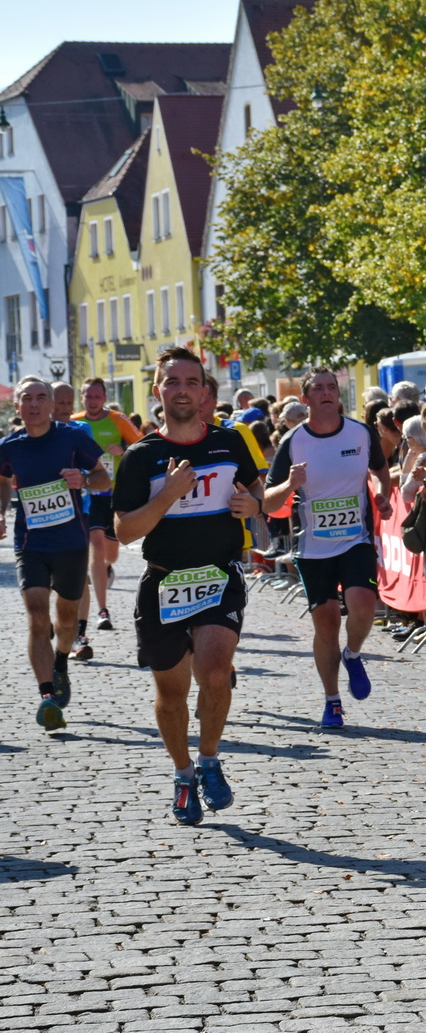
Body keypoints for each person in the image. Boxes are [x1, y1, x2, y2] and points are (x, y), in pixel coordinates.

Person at [112, 347, 262, 824]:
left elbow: (257, 492)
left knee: (216, 672)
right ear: (158, 390)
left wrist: (252, 507)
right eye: (171, 381)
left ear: (203, 391)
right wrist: (170, 496)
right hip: (163, 584)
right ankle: (183, 773)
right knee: (172, 694)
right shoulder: (142, 457)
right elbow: (124, 531)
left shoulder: (228, 442)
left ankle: (211, 760)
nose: (181, 389)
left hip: (218, 576)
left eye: (190, 381)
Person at [262, 368, 394, 728]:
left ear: (338, 394)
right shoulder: (293, 441)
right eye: (317, 388)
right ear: (305, 399)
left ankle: (353, 654)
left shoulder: (361, 432)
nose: (325, 392)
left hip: (355, 539)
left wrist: (382, 495)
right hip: (312, 547)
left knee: (363, 606)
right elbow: (269, 504)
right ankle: (332, 701)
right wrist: (289, 483)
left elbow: (381, 471)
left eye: (331, 387)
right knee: (326, 623)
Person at [0, 376, 108, 731]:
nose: (33, 404)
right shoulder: (9, 447)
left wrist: (84, 481)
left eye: (40, 397)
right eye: (26, 398)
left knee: (64, 620)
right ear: (17, 406)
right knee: (36, 617)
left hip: (71, 543)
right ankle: (47, 697)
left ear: (51, 404)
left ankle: (61, 659)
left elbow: (103, 477)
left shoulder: (72, 437)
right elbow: (2, 482)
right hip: (31, 545)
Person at [71, 376, 142, 652]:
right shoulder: (76, 422)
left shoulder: (118, 420)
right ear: (82, 398)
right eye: (88, 397)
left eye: (97, 396)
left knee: (110, 554)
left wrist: (122, 450)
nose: (92, 401)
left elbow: (142, 447)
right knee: (96, 548)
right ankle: (103, 611)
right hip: (91, 495)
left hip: (116, 494)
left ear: (104, 397)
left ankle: (107, 569)